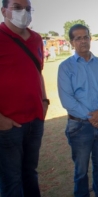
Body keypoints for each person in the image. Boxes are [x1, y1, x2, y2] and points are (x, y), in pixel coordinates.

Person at [57, 24, 98, 197]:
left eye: (85, 37)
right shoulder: (66, 67)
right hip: (79, 127)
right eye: (78, 38)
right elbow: (67, 100)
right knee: (81, 172)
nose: (83, 41)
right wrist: (91, 116)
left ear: (90, 38)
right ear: (72, 42)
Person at [0, 0, 48, 196]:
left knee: (30, 173)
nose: (24, 12)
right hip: (8, 125)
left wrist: (44, 102)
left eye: (28, 8)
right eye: (17, 7)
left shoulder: (36, 39)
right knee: (11, 180)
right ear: (4, 11)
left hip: (35, 121)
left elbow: (38, 73)